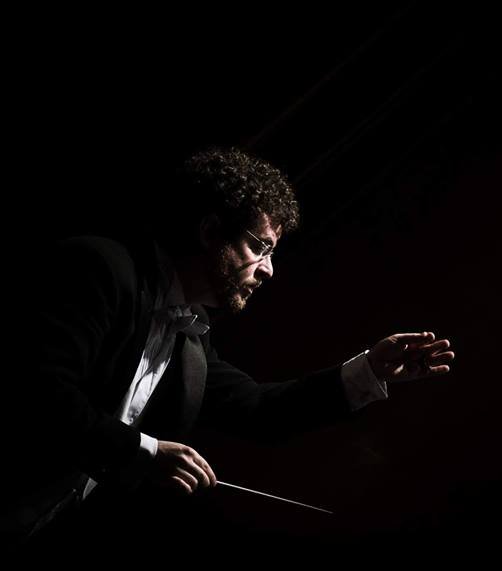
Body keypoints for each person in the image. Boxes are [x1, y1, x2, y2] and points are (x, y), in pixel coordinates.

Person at [2, 147, 455, 548]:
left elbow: (259, 410)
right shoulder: (101, 268)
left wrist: (370, 369)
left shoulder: (190, 337)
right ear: (210, 231)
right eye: (261, 247)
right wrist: (146, 451)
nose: (268, 270)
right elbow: (36, 392)